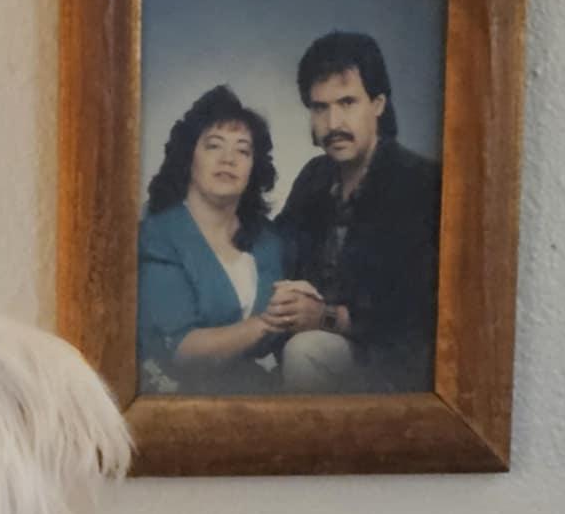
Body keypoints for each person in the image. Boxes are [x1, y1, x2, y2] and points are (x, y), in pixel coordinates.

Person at [268, 31, 441, 394]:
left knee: (306, 349)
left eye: (347, 102)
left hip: (392, 366)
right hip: (316, 351)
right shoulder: (315, 177)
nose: (333, 124)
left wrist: (324, 317)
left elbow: (417, 312)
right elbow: (272, 247)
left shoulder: (422, 183)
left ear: (377, 104)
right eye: (320, 107)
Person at [137, 87, 289, 395]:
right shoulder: (157, 235)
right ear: (189, 156)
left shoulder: (269, 240)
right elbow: (182, 350)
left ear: (254, 168)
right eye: (214, 146)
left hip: (250, 393)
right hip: (172, 398)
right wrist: (268, 323)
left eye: (243, 151)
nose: (228, 159)